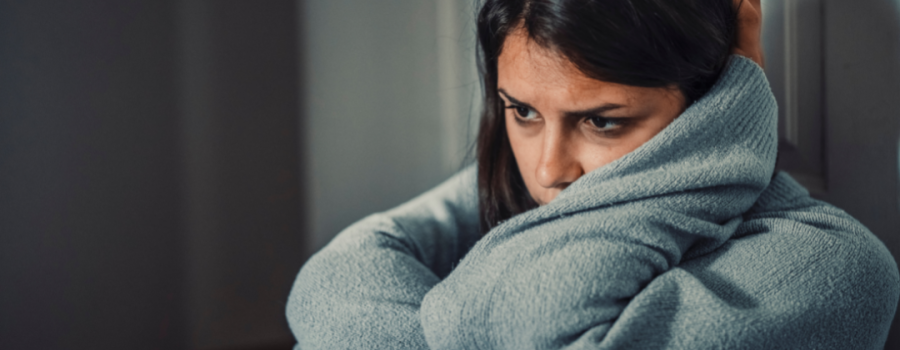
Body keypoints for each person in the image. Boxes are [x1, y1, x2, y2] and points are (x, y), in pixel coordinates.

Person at [286, 0, 900, 349]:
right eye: (523, 112)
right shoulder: (508, 185)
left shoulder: (836, 266)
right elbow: (337, 272)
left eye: (603, 123)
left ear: (720, 101)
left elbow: (511, 322)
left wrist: (734, 123)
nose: (550, 170)